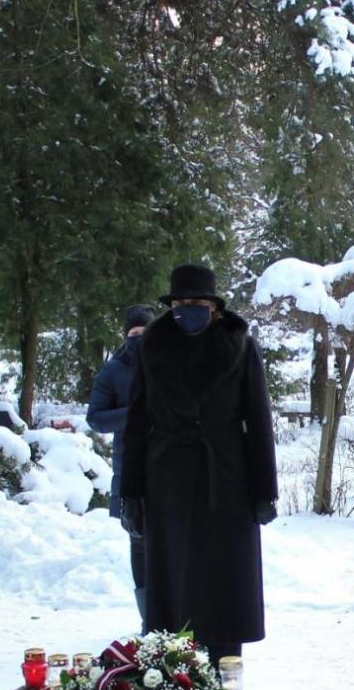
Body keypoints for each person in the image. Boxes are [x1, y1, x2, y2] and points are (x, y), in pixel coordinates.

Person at [119, 264, 278, 663]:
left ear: (215, 308)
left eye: (198, 303)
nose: (188, 310)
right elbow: (136, 423)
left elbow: (258, 421)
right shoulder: (152, 346)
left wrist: (265, 490)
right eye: (180, 303)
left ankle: (226, 672)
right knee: (174, 582)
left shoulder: (240, 345)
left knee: (225, 584)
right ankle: (178, 672)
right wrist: (131, 493)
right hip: (167, 478)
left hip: (227, 478)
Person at [87, 303, 157, 626]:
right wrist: (135, 415)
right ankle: (149, 620)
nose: (139, 339)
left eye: (145, 332)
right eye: (134, 333)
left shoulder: (167, 364)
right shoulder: (113, 370)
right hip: (130, 471)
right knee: (139, 542)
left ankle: (174, 617)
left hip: (169, 469)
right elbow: (96, 418)